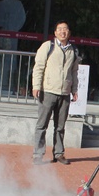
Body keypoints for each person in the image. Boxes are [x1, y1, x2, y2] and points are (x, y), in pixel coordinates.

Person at [31, 20, 79, 165]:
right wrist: (36, 86)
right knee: (42, 125)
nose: (63, 31)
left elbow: (74, 72)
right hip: (48, 91)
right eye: (60, 29)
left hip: (64, 93)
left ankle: (59, 153)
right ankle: (38, 154)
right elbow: (38, 67)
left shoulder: (73, 50)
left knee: (60, 126)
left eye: (65, 29)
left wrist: (74, 90)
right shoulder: (48, 46)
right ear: (55, 32)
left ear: (69, 32)